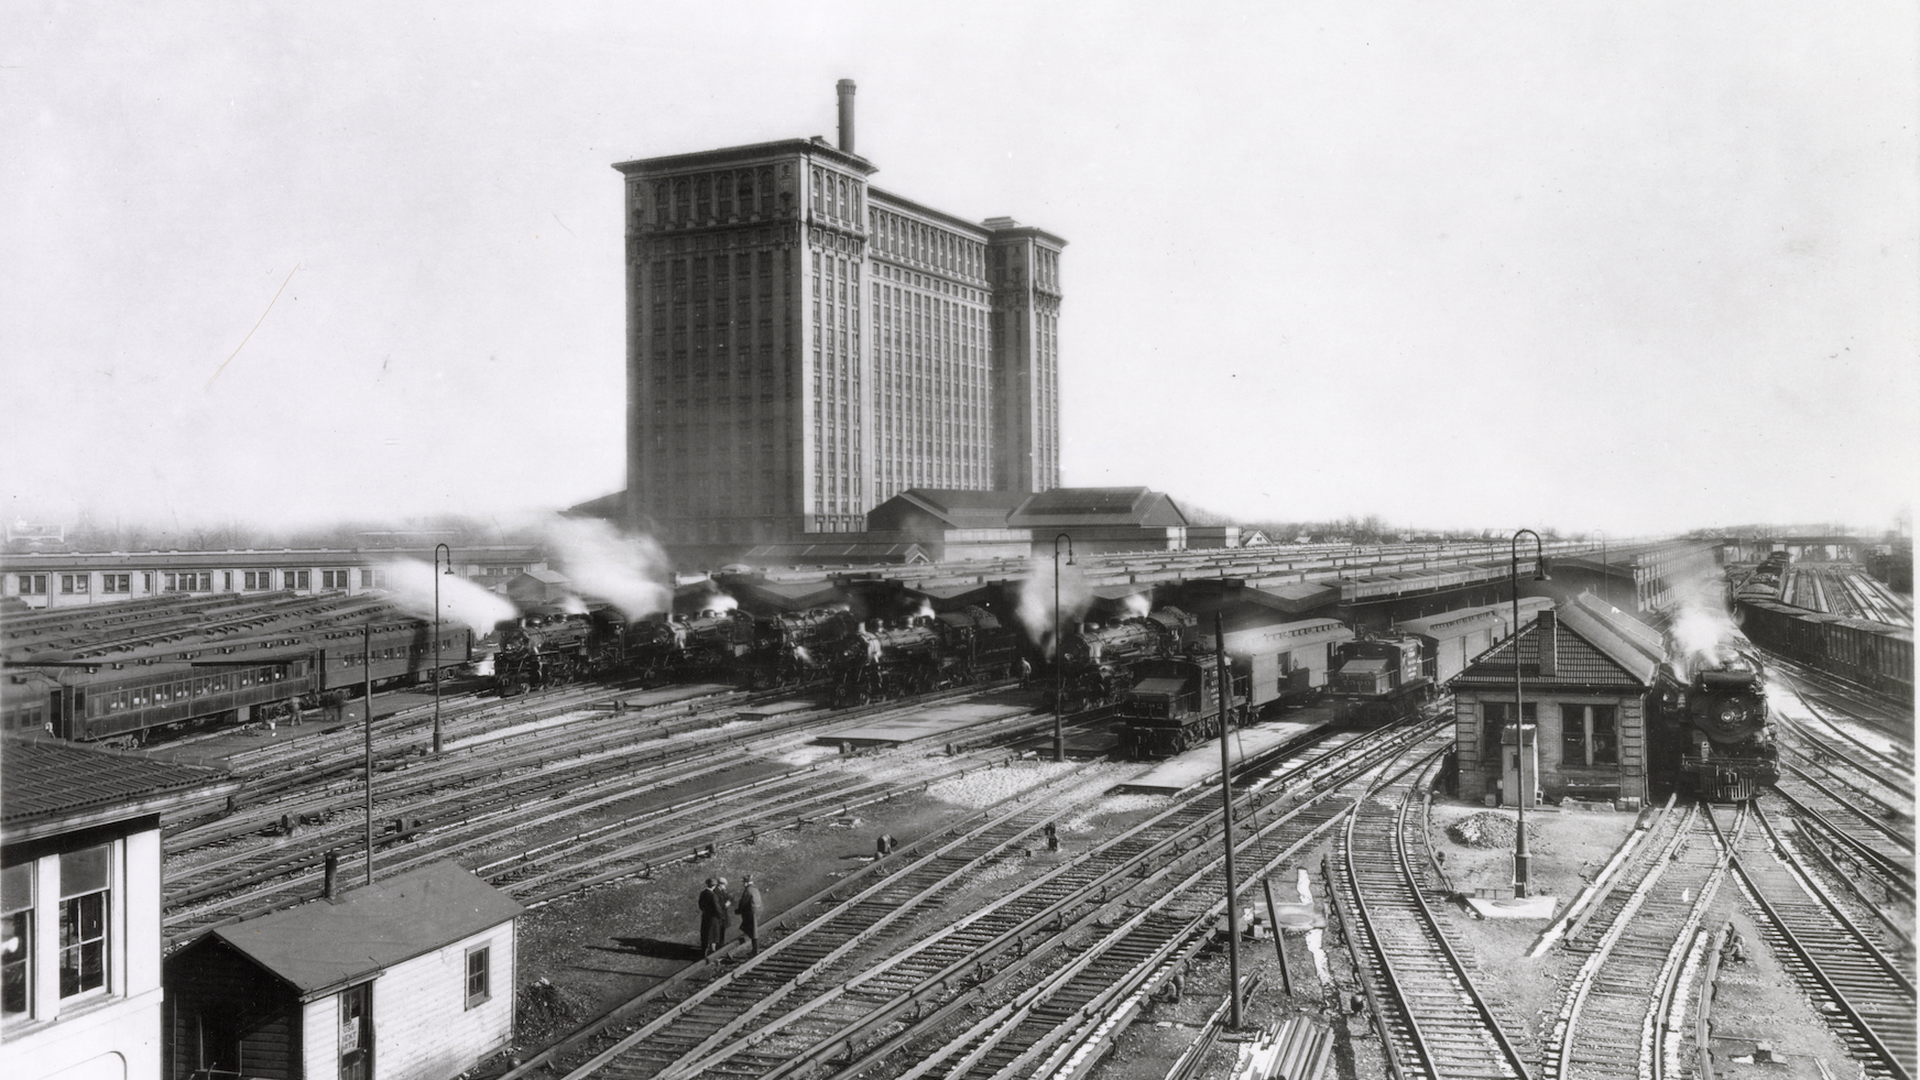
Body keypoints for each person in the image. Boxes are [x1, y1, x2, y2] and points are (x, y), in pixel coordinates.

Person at [735, 874, 765, 955]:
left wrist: (738, 910)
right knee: (752, 929)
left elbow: (743, 902)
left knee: (752, 930)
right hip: (758, 910)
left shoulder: (748, 890)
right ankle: (755, 947)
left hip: (751, 912)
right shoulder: (755, 889)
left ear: (746, 883)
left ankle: (755, 950)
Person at [698, 878, 721, 955]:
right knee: (713, 935)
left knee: (705, 933)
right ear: (714, 886)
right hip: (713, 918)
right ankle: (712, 952)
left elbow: (700, 905)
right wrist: (720, 915)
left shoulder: (703, 893)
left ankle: (703, 951)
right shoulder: (713, 895)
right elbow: (717, 908)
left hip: (705, 916)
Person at [713, 877, 734, 953]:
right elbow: (719, 904)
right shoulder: (716, 892)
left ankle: (721, 944)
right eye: (724, 885)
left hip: (723, 915)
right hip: (720, 915)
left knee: (722, 930)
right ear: (720, 885)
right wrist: (726, 904)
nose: (725, 887)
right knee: (719, 931)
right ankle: (719, 946)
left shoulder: (720, 891)